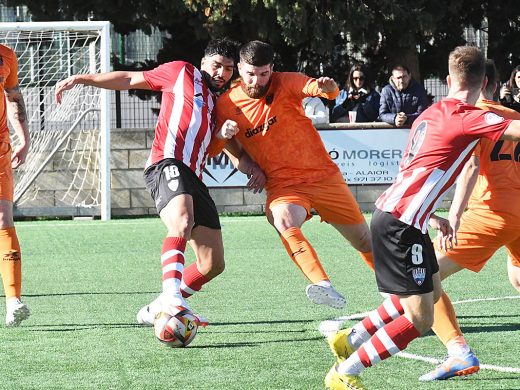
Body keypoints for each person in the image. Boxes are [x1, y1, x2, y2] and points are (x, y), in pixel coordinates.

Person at [324, 46, 520, 390]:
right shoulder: (470, 115)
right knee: (420, 316)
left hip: (402, 217)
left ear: (447, 80)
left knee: (430, 287)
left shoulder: (429, 113)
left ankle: (351, 340)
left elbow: (414, 170)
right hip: (402, 226)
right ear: (485, 82)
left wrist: (432, 217)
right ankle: (346, 371)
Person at [55, 39, 265, 326]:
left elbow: (231, 151)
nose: (222, 73)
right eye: (217, 65)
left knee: (212, 264)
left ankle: (157, 307)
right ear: (203, 62)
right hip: (166, 162)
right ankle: (172, 299)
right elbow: (129, 79)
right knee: (182, 222)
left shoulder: (220, 103)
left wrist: (252, 167)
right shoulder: (181, 72)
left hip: (194, 177)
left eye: (229, 69)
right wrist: (84, 79)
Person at [210, 41, 374, 310]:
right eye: (251, 73)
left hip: (324, 178)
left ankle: (397, 293)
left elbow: (324, 91)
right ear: (240, 68)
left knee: (365, 242)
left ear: (271, 69)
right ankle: (322, 284)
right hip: (284, 186)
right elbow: (226, 153)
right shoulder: (226, 106)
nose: (257, 80)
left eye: (264, 74)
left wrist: (328, 87)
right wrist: (225, 139)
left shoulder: (286, 82)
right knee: (282, 220)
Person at [419, 59, 520, 381]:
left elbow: (470, 168)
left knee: (422, 276)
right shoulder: (515, 117)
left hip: (491, 213)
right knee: (518, 278)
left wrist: (455, 214)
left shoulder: (474, 118)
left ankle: (457, 351)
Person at [0, 44, 31, 326]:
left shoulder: (6, 55)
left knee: (3, 219)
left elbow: (14, 97)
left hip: (0, 149)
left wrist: (24, 138)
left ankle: (13, 301)